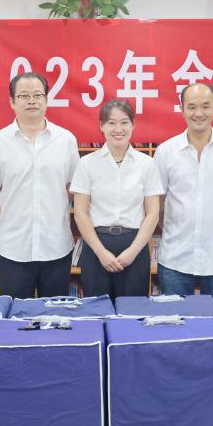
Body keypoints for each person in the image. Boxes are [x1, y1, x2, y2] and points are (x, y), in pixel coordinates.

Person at [0, 72, 79, 299]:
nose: (32, 101)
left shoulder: (66, 140)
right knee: (15, 315)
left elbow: (72, 187)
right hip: (13, 247)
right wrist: (9, 218)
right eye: (24, 96)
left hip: (56, 244)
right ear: (12, 102)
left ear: (46, 99)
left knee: (55, 313)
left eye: (37, 95)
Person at [154, 82, 213, 298]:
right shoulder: (165, 151)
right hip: (175, 257)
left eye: (205, 106)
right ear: (182, 109)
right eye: (192, 107)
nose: (199, 113)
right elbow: (157, 202)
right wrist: (173, 227)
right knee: (175, 318)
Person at [71, 99, 162, 299]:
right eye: (111, 123)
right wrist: (101, 252)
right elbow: (80, 213)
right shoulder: (87, 164)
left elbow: (153, 213)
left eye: (124, 122)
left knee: (131, 312)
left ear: (133, 125)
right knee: (97, 311)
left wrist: (133, 250)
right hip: (96, 246)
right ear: (101, 126)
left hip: (134, 246)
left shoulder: (147, 164)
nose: (118, 129)